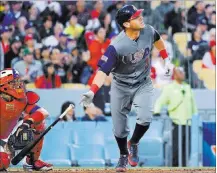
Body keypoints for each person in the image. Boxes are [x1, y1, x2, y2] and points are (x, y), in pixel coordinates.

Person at [80, 5, 173, 172]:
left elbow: (158, 40)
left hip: (143, 82)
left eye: (139, 15)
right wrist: (92, 91)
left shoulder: (148, 31)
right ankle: (123, 155)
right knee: (120, 128)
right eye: (136, 17)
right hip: (121, 86)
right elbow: (102, 71)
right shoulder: (116, 46)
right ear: (126, 24)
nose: (141, 18)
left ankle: (134, 142)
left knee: (145, 118)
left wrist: (165, 58)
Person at [0, 68, 53, 171]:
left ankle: (32, 161)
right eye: (14, 82)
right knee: (3, 163)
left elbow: (43, 113)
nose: (18, 84)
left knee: (39, 123)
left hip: (9, 135)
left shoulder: (22, 99)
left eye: (18, 81)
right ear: (4, 86)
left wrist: (27, 123)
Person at [153, 67, 198, 166]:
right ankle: (175, 168)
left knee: (187, 148)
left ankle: (185, 168)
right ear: (175, 74)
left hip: (188, 123)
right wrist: (157, 111)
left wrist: (196, 117)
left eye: (183, 71)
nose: (183, 73)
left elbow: (193, 105)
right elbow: (160, 101)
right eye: (180, 72)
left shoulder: (188, 87)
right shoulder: (169, 88)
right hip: (176, 123)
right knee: (176, 148)